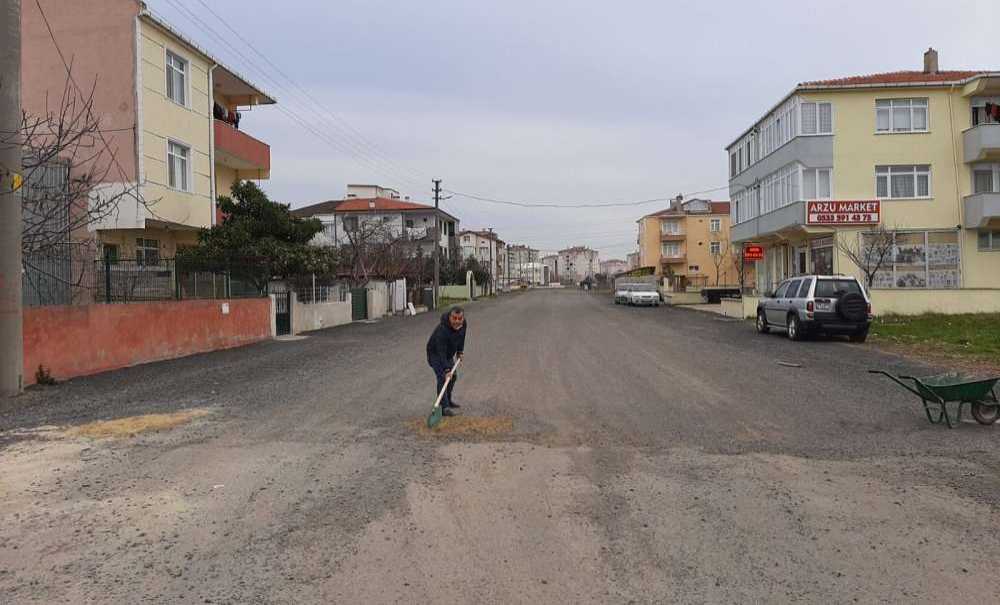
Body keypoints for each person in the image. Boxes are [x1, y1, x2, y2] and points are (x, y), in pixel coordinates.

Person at [426, 306, 466, 417]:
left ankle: (448, 400)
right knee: (443, 377)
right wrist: (446, 369)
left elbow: (461, 337)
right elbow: (440, 351)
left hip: (448, 353)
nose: (457, 321)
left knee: (453, 377)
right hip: (435, 354)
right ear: (449, 317)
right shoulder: (442, 330)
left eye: (460, 318)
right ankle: (444, 408)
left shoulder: (463, 324)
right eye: (454, 318)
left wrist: (460, 351)